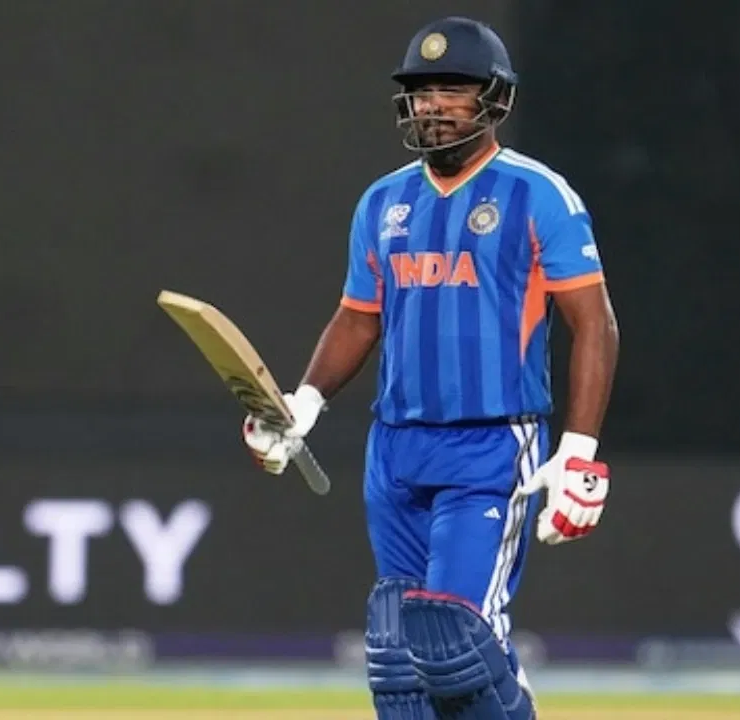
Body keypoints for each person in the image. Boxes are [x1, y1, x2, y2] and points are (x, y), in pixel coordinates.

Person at [243, 15, 619, 720]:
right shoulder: (383, 202)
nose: (433, 106)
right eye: (422, 91)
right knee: (399, 658)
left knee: (457, 646)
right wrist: (304, 404)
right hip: (396, 448)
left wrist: (578, 453)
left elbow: (594, 323)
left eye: (453, 90)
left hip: (490, 446)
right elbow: (358, 317)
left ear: (494, 99)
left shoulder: (537, 195)